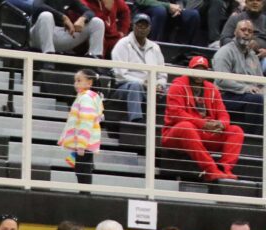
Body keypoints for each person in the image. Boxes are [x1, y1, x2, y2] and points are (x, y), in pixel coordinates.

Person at [161, 55, 244, 183]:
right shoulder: (177, 86)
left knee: (236, 131)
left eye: (202, 70)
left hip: (204, 133)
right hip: (176, 134)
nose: (199, 73)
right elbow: (176, 114)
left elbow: (223, 114)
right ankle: (211, 170)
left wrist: (221, 124)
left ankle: (224, 168)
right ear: (189, 69)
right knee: (186, 127)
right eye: (196, 69)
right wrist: (204, 124)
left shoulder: (212, 89)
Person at [213, 19, 264, 138]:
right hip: (225, 95)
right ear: (235, 32)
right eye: (243, 30)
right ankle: (252, 139)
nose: (246, 33)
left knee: (258, 97)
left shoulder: (252, 55)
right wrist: (246, 88)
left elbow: (260, 80)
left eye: (250, 31)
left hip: (247, 95)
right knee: (255, 99)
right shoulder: (225, 51)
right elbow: (221, 80)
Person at [110, 14, 165, 125]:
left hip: (150, 87)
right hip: (125, 87)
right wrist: (143, 83)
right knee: (135, 86)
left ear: (150, 28)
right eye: (139, 25)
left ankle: (164, 124)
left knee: (171, 91)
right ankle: (135, 122)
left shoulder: (155, 47)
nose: (142, 29)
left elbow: (162, 74)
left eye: (145, 26)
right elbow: (120, 75)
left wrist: (159, 84)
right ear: (133, 26)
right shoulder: (123, 44)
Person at [13, 0, 106, 59]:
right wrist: (63, 17)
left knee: (97, 22)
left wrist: (83, 18)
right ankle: (48, 56)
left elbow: (90, 12)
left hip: (58, 34)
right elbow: (37, 6)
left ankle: (95, 56)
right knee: (46, 15)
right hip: (38, 35)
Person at [58, 69, 103, 186]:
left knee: (82, 170)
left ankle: (85, 194)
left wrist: (82, 145)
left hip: (84, 143)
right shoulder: (87, 97)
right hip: (84, 142)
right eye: (75, 81)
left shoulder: (86, 98)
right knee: (82, 169)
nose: (76, 84)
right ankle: (84, 192)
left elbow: (86, 122)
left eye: (79, 80)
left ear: (89, 83)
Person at [132, 0, 198, 44]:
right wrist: (167, 6)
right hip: (146, 8)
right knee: (160, 11)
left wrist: (178, 8)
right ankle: (152, 45)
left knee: (192, 15)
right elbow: (141, 1)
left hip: (168, 9)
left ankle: (182, 51)